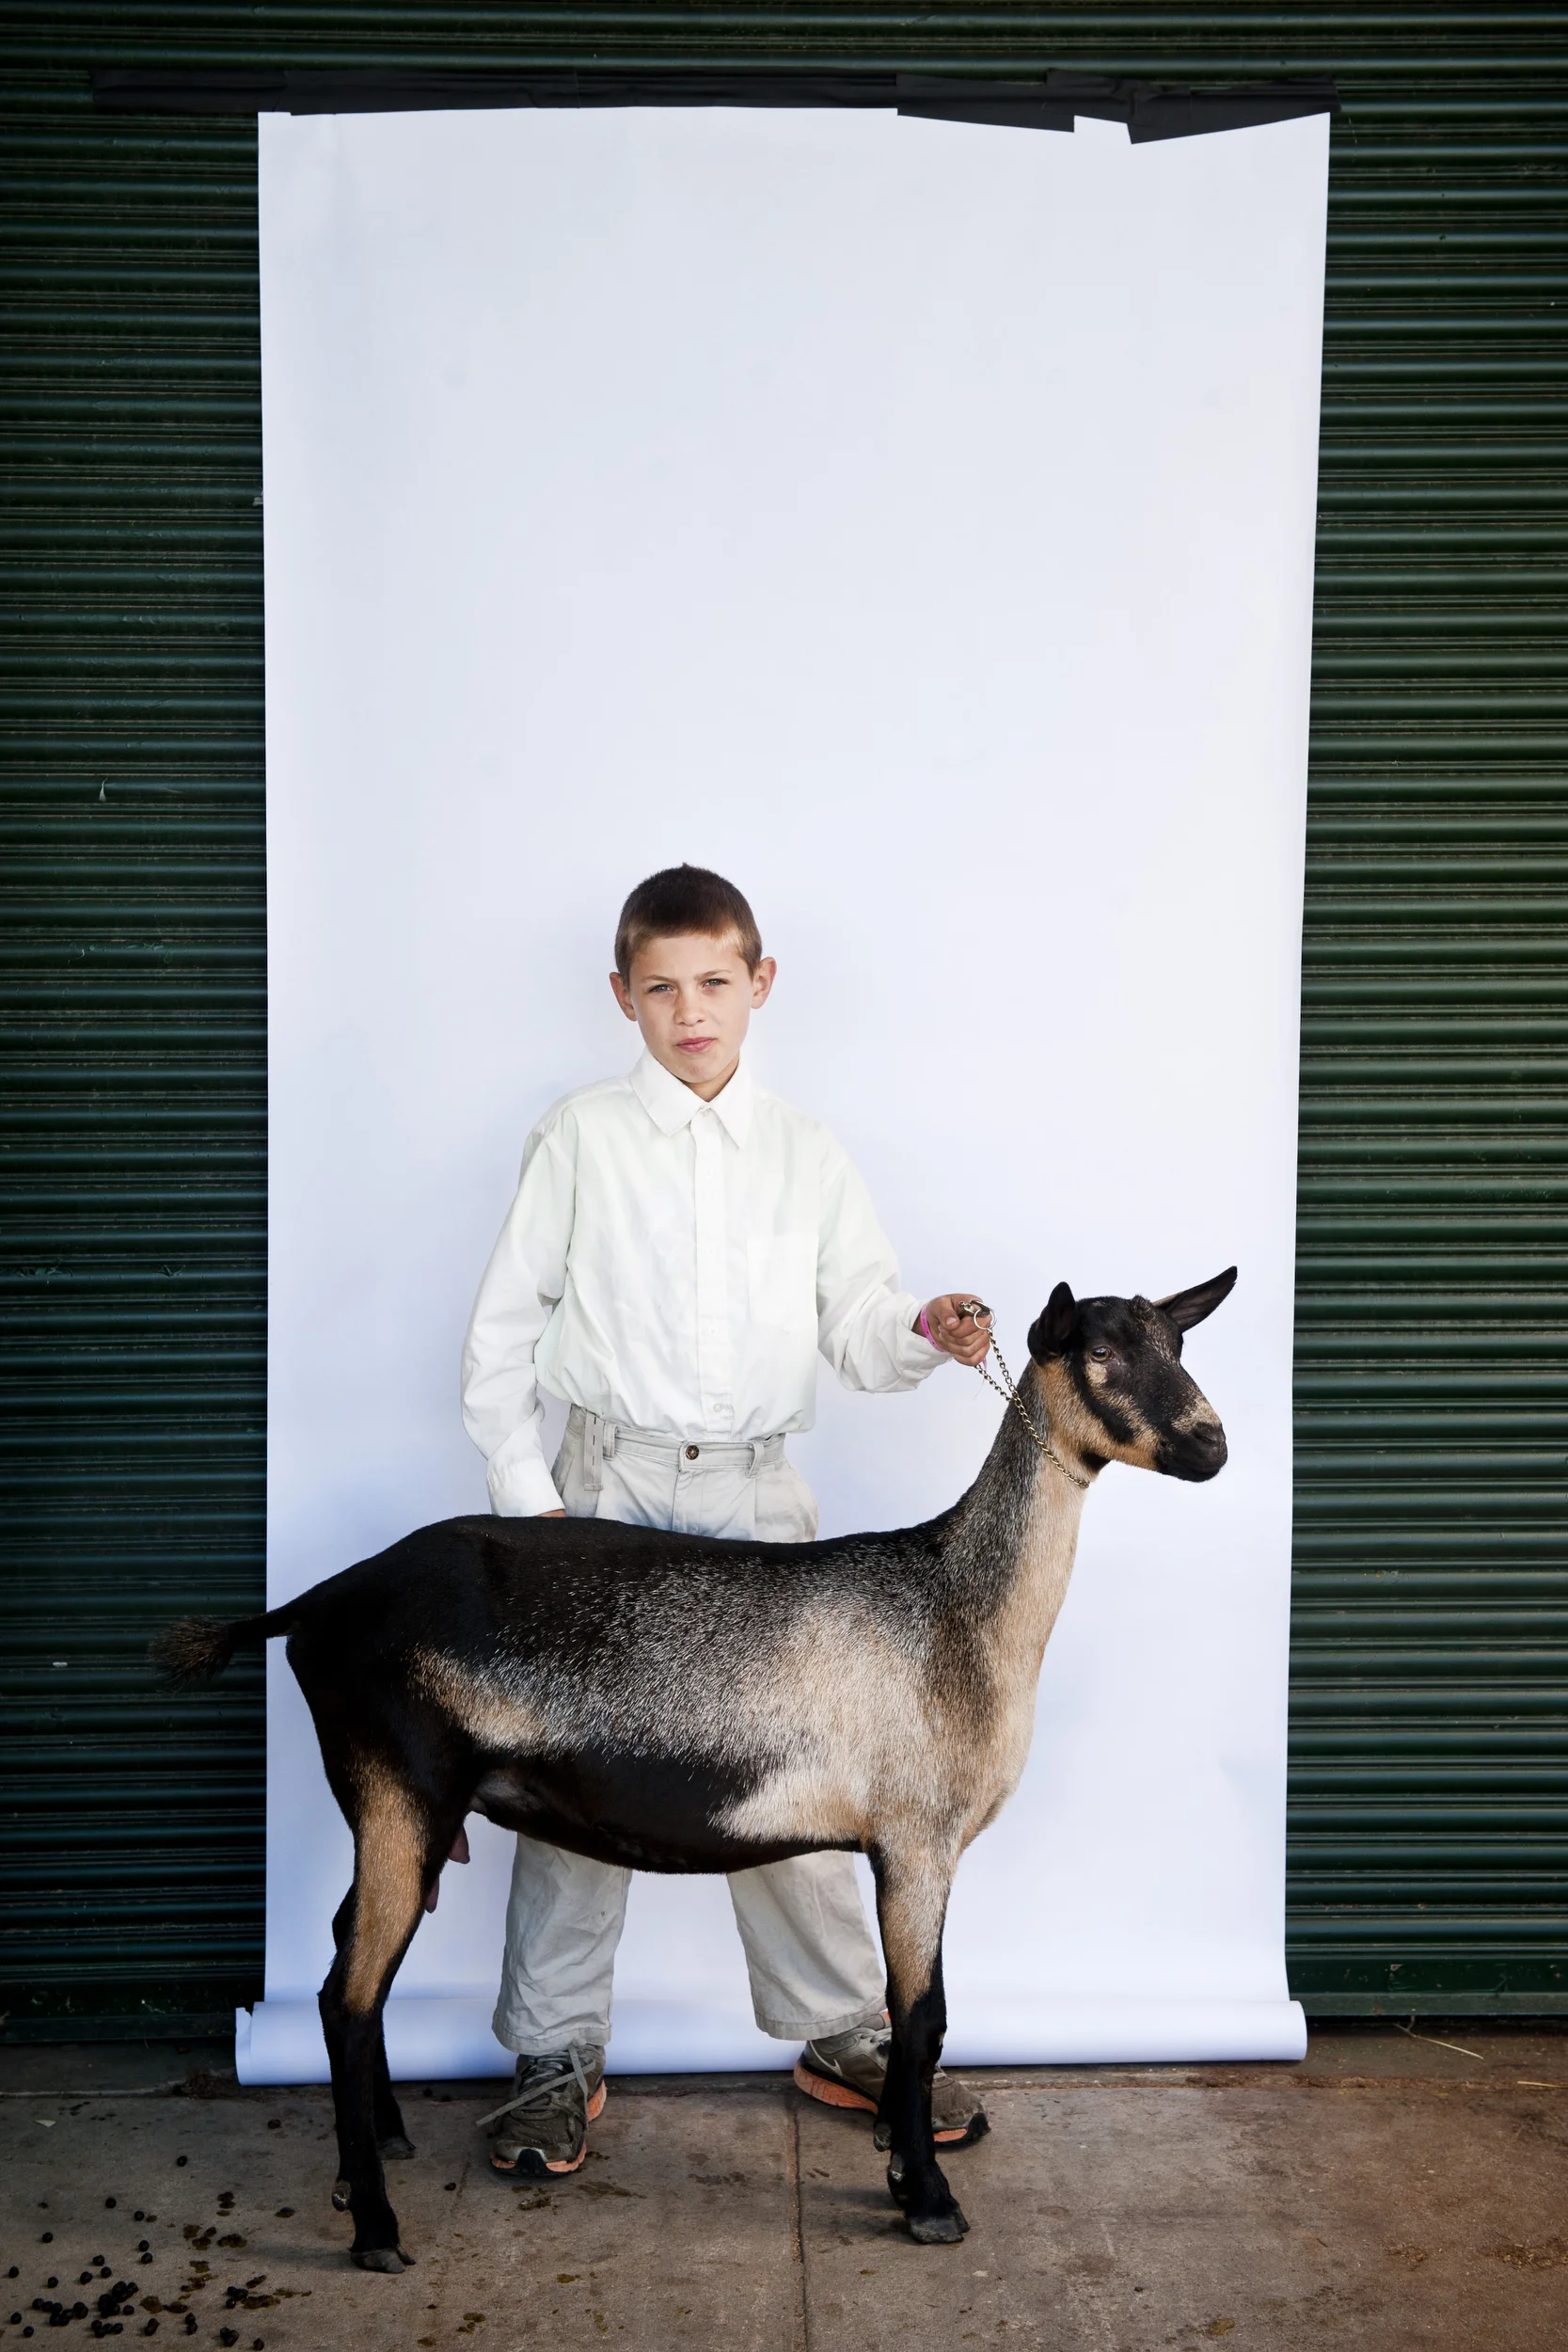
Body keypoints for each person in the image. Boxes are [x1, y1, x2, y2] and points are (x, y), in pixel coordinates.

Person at [461, 863, 993, 2179]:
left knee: (793, 1775)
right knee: (576, 1777)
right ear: (621, 997)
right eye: (659, 988)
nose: (688, 1010)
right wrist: (534, 1515)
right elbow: (501, 1336)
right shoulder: (578, 1136)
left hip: (757, 1501)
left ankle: (837, 2031)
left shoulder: (805, 1153)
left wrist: (923, 1330)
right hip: (610, 1497)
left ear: (759, 984)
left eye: (714, 983)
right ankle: (551, 2049)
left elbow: (859, 1330)